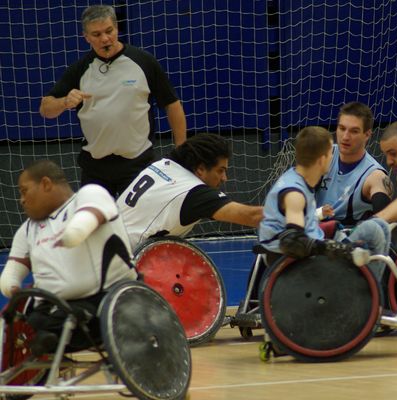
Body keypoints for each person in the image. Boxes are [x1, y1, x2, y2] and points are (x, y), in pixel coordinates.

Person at [39, 5, 187, 198]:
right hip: (95, 168)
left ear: (117, 28)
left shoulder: (143, 62)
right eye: (97, 34)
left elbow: (172, 104)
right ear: (86, 37)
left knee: (139, 226)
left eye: (109, 31)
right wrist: (64, 101)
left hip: (138, 164)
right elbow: (45, 109)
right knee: (94, 225)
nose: (105, 39)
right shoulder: (80, 69)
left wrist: (181, 149)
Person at [0, 160, 137, 356]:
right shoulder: (28, 229)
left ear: (46, 184)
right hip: (54, 309)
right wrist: (11, 285)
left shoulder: (89, 194)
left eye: (24, 191)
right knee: (19, 320)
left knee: (56, 319)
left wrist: (69, 237)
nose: (21, 200)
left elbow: (80, 228)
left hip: (108, 300)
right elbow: (13, 270)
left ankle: (48, 338)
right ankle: (44, 342)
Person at [259, 126, 397, 284]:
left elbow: (303, 227)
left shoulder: (300, 182)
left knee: (378, 227)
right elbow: (292, 241)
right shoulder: (295, 193)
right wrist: (332, 247)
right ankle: (366, 292)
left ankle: (369, 290)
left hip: (309, 250)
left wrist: (329, 230)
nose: (335, 157)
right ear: (322, 159)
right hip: (296, 261)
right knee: (374, 231)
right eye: (331, 153)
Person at [117, 133, 264, 250]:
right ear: (200, 169)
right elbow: (252, 216)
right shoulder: (193, 193)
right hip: (122, 261)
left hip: (103, 239)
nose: (225, 178)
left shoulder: (164, 165)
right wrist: (286, 212)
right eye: (220, 171)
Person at [315, 102, 394, 225]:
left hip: (348, 238)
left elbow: (386, 213)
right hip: (314, 230)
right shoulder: (323, 154)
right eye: (342, 128)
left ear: (367, 135)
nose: (345, 137)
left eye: (354, 131)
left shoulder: (375, 175)